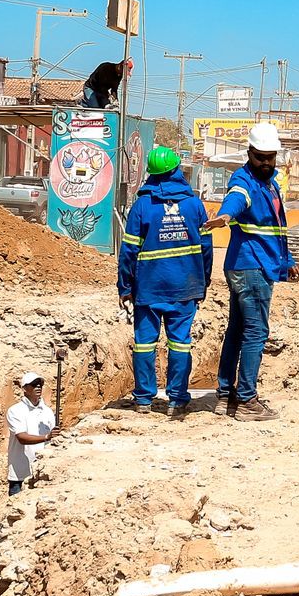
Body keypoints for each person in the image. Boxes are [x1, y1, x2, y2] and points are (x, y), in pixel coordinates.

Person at [204, 122, 299, 422]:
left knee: (237, 330)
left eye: (271, 157)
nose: (266, 162)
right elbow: (236, 198)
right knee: (256, 331)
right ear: (249, 154)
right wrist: (224, 215)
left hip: (257, 263)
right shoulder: (244, 180)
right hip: (251, 267)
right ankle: (246, 400)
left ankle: (224, 395)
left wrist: (288, 259)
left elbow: (275, 229)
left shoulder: (270, 184)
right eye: (260, 157)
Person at [118, 147, 214, 416]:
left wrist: (125, 286)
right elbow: (207, 247)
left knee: (145, 343)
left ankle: (144, 399)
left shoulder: (142, 207)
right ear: (176, 171)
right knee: (180, 343)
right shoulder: (195, 206)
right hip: (186, 286)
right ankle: (177, 400)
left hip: (148, 288)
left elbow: (128, 251)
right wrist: (203, 282)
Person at [7, 371, 58, 494]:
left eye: (40, 383)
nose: (38, 386)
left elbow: (54, 438)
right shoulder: (15, 411)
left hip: (41, 472)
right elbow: (22, 438)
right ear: (24, 388)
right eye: (34, 384)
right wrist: (46, 437)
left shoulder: (47, 411)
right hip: (20, 475)